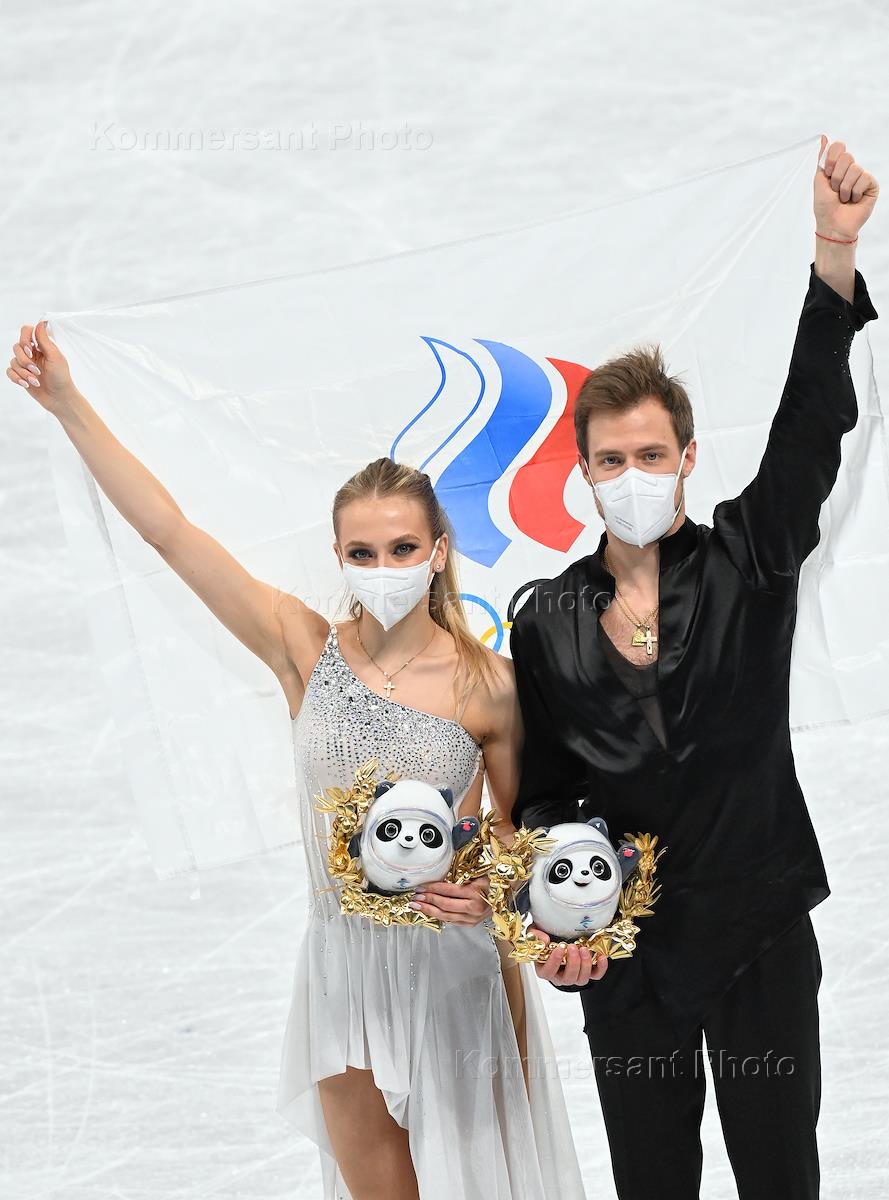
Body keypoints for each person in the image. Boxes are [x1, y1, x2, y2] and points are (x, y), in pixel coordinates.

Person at [5, 354, 586, 1195]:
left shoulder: (487, 684)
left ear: (437, 552)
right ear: (338, 556)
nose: (382, 567)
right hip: (342, 974)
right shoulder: (302, 648)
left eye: (402, 548)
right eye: (362, 551)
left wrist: (495, 893)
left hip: (456, 971)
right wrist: (66, 404)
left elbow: (521, 828)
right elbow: (169, 533)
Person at [508, 134, 879, 1200]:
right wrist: (557, 918)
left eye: (650, 455)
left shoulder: (749, 558)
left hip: (758, 928)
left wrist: (833, 255)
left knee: (779, 1180)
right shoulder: (546, 620)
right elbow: (543, 796)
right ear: (583, 473)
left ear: (685, 459)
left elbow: (809, 428)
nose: (631, 474)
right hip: (627, 954)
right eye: (610, 459)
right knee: (651, 1185)